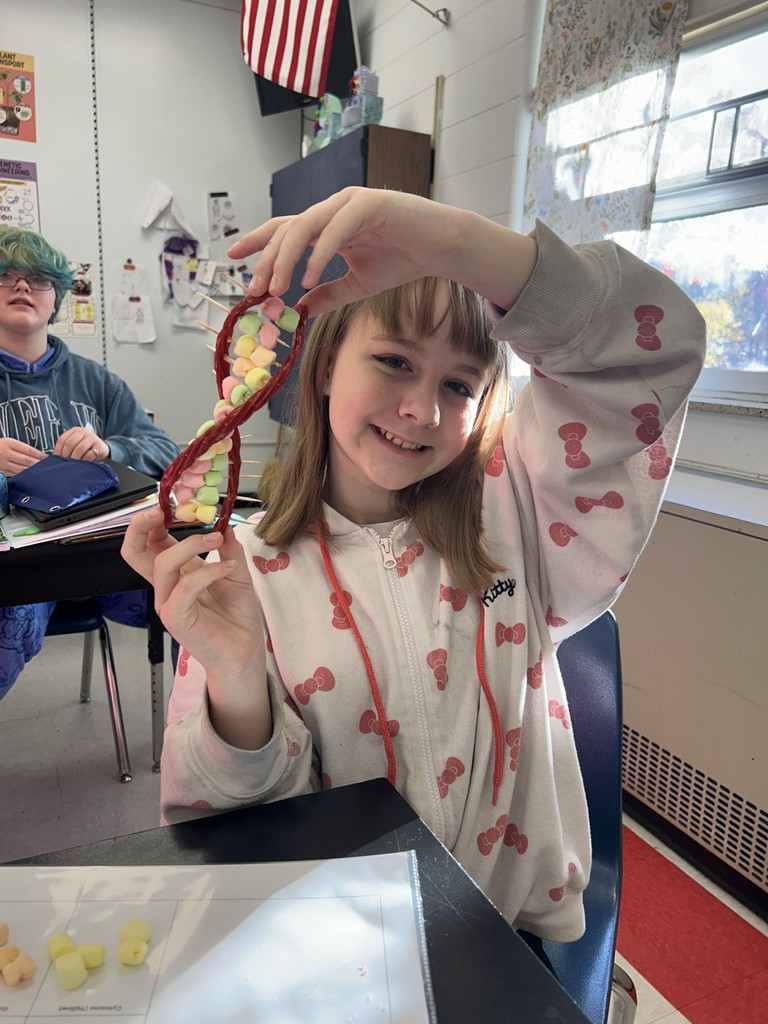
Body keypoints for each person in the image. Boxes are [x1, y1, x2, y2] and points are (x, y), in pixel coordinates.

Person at [121, 187, 705, 942]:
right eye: (395, 362)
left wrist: (461, 244)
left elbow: (652, 348)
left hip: (504, 930)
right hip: (341, 946)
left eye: (458, 384)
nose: (423, 411)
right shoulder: (248, 573)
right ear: (326, 365)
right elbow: (233, 840)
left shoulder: (519, 509)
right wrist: (236, 678)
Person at [0, 226, 179, 698]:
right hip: (18, 576)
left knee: (197, 588)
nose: (21, 287)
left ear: (56, 297)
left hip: (105, 560)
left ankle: (210, 739)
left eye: (37, 279)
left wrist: (110, 450)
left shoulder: (98, 382)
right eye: (6, 276)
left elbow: (165, 450)